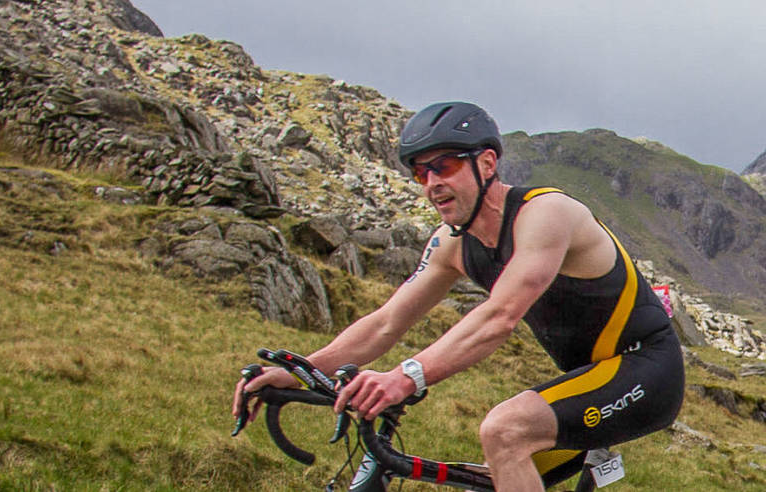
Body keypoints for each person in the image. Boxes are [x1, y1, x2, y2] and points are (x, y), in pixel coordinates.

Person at [230, 101, 684, 491]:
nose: (431, 183)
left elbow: (500, 315)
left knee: (505, 430)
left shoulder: (547, 214)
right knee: (495, 477)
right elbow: (387, 322)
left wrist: (405, 378)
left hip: (647, 369)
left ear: (486, 164)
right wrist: (299, 373)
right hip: (588, 377)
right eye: (420, 172)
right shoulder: (451, 244)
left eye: (444, 166)